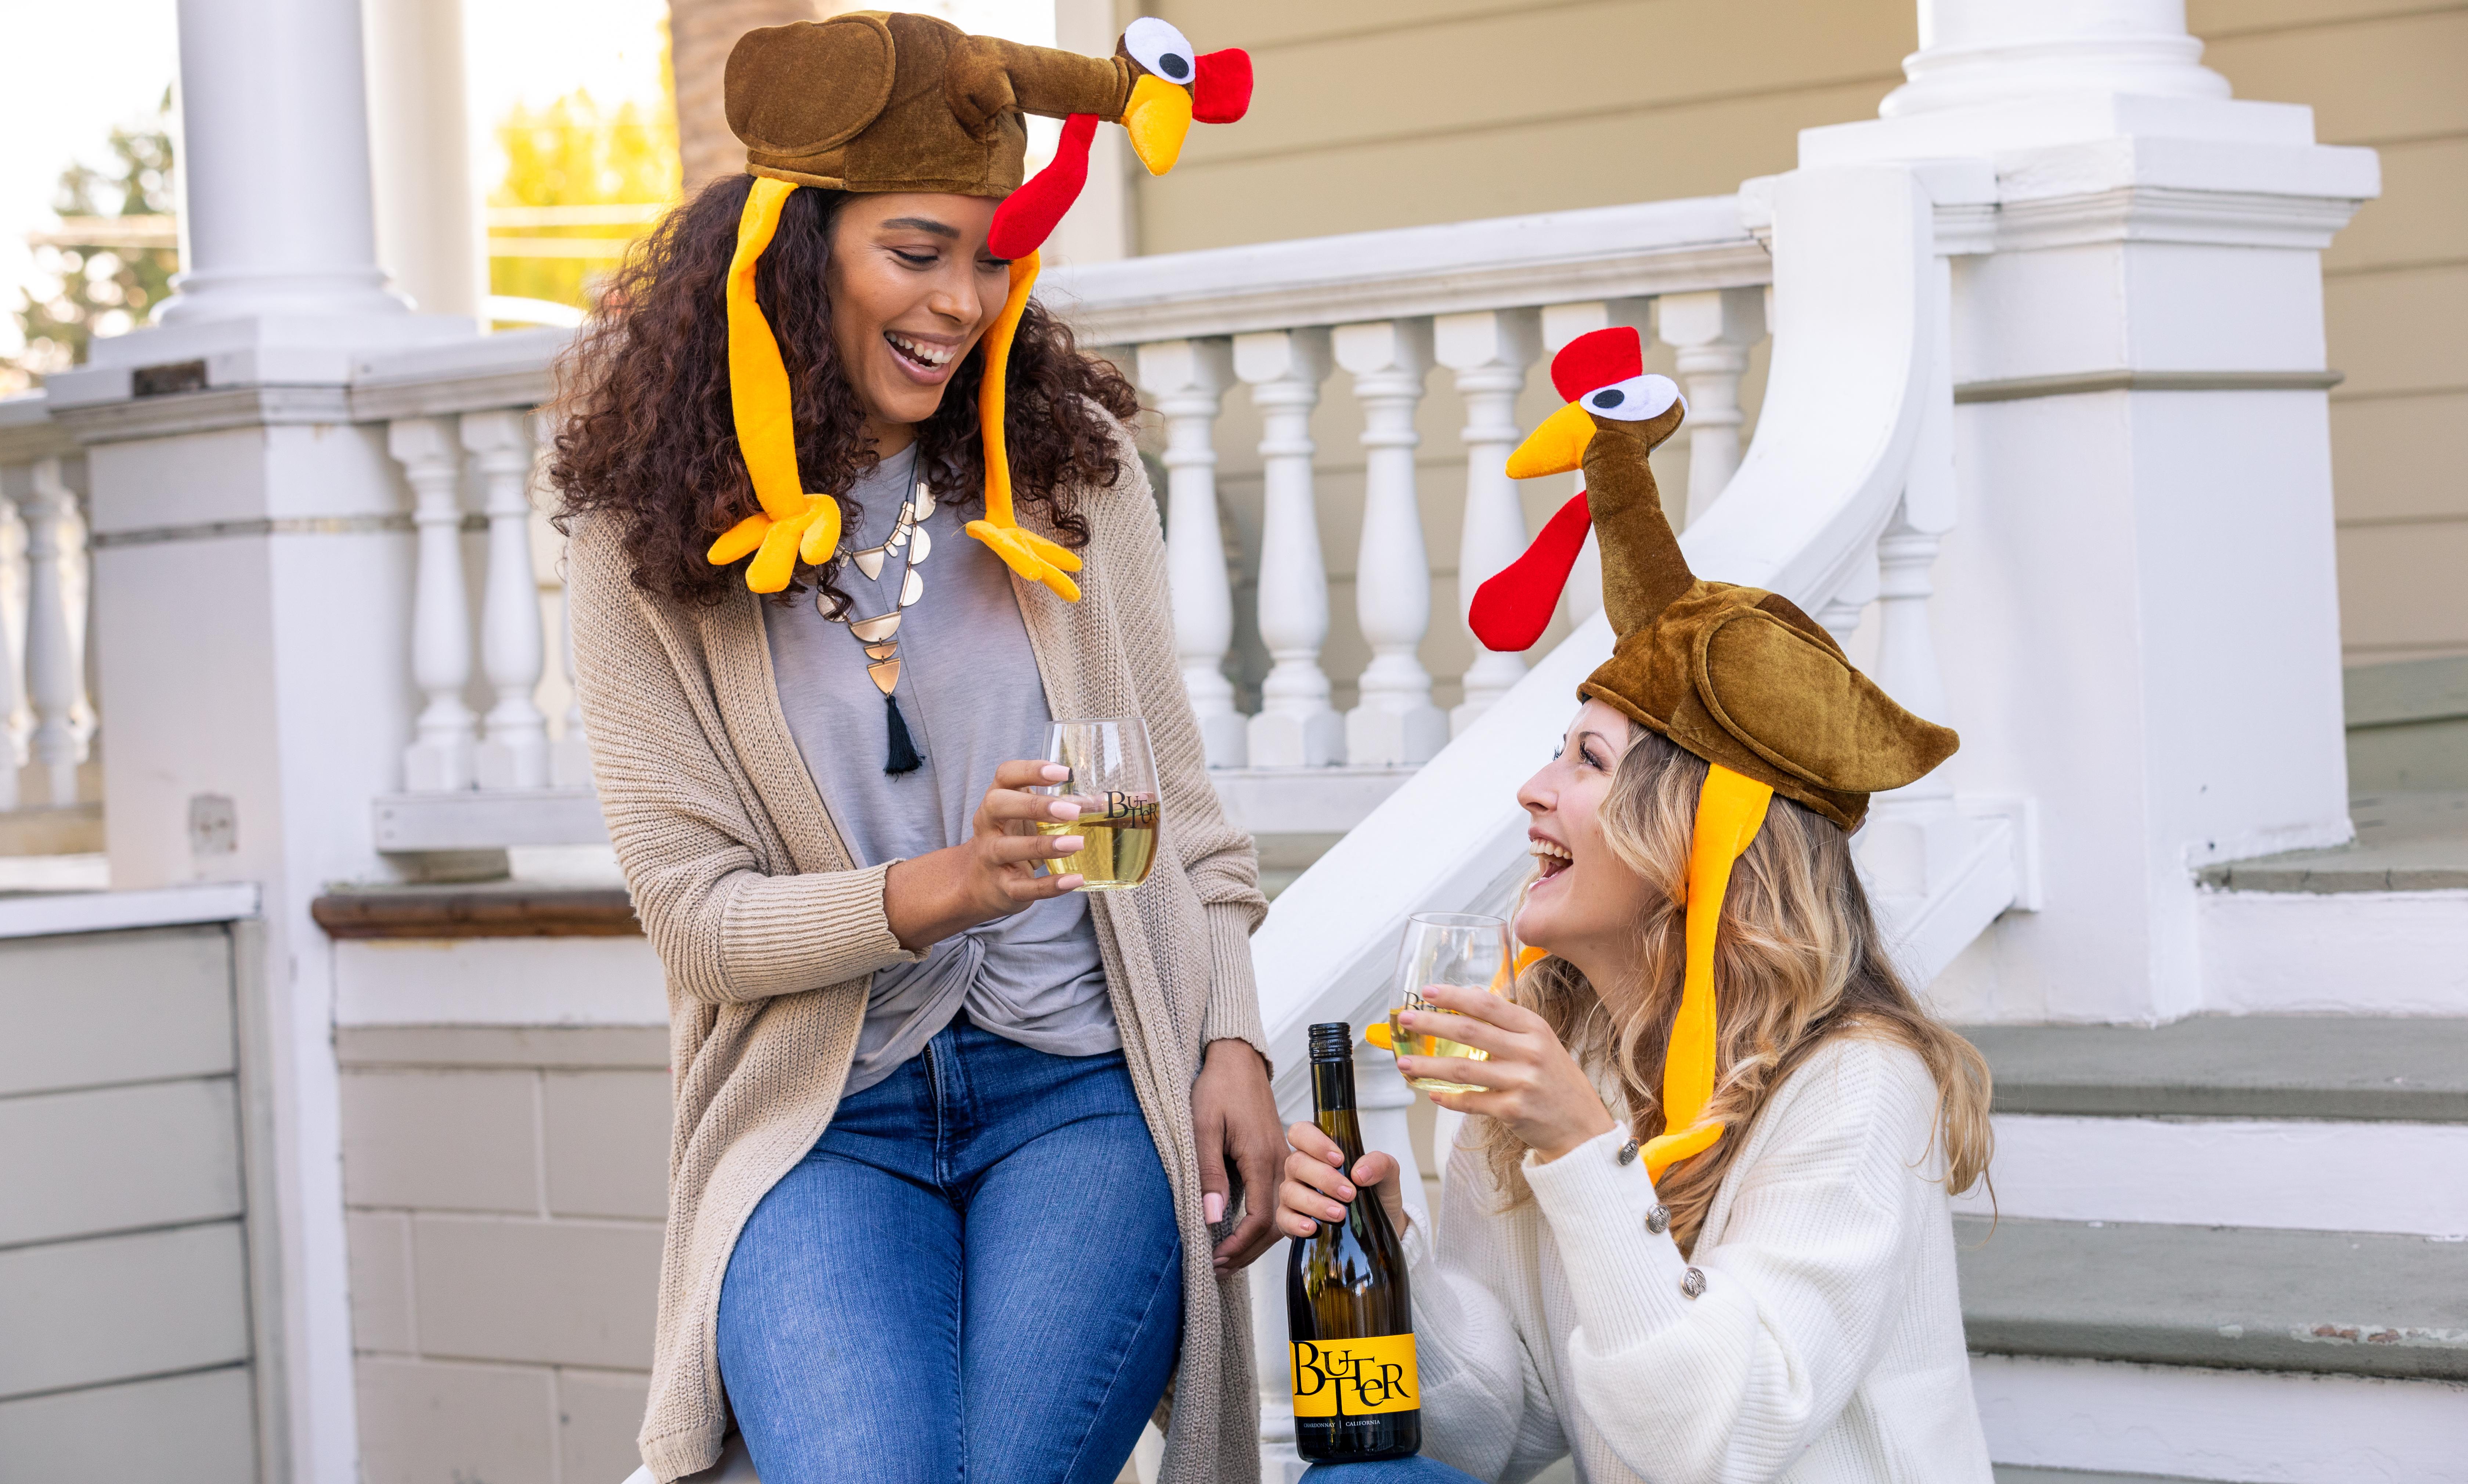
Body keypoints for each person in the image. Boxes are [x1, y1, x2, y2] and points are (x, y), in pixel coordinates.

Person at [552, 14, 1277, 1483]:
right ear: (795, 244)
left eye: (992, 257)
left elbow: (1174, 813)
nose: (961, 300)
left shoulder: (1071, 474)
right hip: (825, 1118)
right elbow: (697, 925)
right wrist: (951, 885)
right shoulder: (637, 540)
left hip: (1084, 1085)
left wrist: (1233, 1037)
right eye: (917, 250)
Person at [1275, 329, 1997, 1483]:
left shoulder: (1857, 1084)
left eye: (1588, 762)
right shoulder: (1558, 1051)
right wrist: (1387, 1245)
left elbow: (1709, 1449)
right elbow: (1484, 1436)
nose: (1534, 789)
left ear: (1696, 835)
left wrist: (1580, 1146)